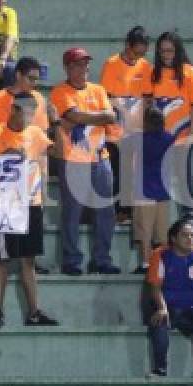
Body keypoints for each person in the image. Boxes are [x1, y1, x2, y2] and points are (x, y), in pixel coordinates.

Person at [0, 95, 60, 329]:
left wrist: (56, 124)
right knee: (2, 259)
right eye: (26, 112)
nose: (29, 118)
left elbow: (56, 154)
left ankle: (34, 312)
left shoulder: (36, 133)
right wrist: (9, 156)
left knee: (29, 260)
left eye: (33, 113)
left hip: (31, 203)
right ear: (14, 110)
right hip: (4, 204)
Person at [0, 56, 56, 274]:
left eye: (37, 79)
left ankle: (28, 258)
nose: (34, 83)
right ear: (18, 75)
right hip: (1, 169)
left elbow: (41, 139)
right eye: (31, 78)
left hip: (30, 171)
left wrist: (44, 174)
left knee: (32, 215)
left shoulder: (38, 99)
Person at [50, 47, 119, 275]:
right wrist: (94, 117)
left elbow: (111, 116)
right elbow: (74, 116)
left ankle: (102, 259)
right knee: (73, 211)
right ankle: (71, 260)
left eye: (86, 64)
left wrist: (81, 117)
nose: (84, 69)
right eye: (78, 65)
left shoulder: (98, 90)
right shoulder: (60, 91)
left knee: (105, 211)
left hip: (100, 158)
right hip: (73, 158)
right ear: (68, 68)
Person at [144, 217, 193, 378]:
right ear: (173, 238)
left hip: (190, 308)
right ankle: (160, 369)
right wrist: (162, 308)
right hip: (166, 306)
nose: (190, 239)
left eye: (192, 235)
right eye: (185, 235)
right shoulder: (160, 255)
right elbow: (155, 286)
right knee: (159, 322)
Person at [142, 31, 193, 221]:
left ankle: (188, 214)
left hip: (183, 134)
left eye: (170, 51)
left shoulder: (189, 72)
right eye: (162, 51)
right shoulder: (152, 73)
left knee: (183, 175)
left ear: (178, 51)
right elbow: (147, 103)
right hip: (160, 136)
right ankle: (162, 217)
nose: (166, 55)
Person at [100, 26, 152, 224]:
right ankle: (115, 211)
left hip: (136, 128)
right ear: (127, 46)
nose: (136, 57)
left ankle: (128, 211)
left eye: (141, 54)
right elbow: (107, 97)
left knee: (132, 171)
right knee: (116, 170)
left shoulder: (145, 67)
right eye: (134, 52)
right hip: (115, 129)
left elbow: (147, 97)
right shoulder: (112, 64)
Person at [131, 107, 175, 273]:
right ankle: (162, 265)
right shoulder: (169, 138)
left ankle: (145, 263)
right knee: (162, 232)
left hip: (144, 190)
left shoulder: (139, 139)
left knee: (145, 231)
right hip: (163, 191)